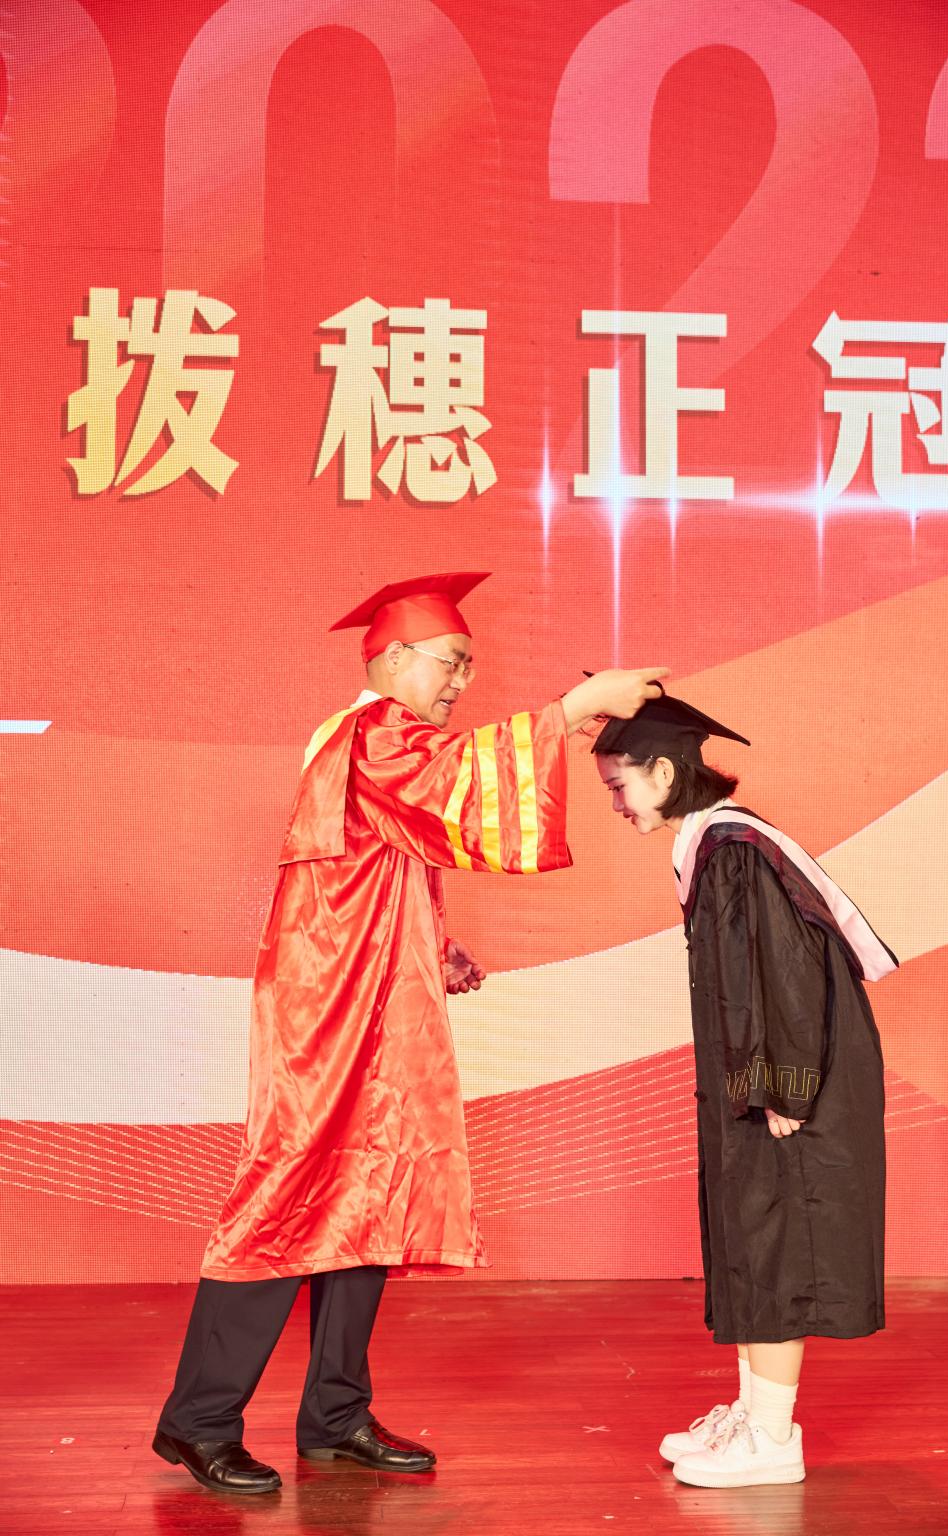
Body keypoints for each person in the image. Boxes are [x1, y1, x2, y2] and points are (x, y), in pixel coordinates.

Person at [154, 570, 667, 1494]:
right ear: (393, 658)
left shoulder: (364, 740)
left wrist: (435, 944)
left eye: (467, 664)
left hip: (371, 999)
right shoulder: (375, 733)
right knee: (286, 1199)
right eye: (450, 661)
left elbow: (373, 865)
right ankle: (200, 1420)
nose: (461, 680)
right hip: (327, 1017)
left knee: (373, 1190)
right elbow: (456, 780)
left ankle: (335, 1414)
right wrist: (578, 705)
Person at [592, 691, 897, 1489]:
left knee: (777, 1245)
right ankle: (752, 1414)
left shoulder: (735, 851)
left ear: (663, 773)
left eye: (620, 786)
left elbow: (786, 975)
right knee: (753, 1240)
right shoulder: (716, 843)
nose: (617, 805)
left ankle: (772, 1437)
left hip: (792, 1082)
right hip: (761, 1077)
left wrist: (783, 1088)